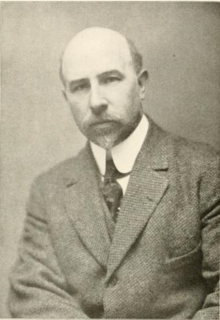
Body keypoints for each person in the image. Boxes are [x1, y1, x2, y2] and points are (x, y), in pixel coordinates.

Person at [8, 27, 220, 319]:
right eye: (80, 87)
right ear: (65, 97)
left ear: (141, 84)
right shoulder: (49, 190)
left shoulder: (206, 171)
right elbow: (33, 293)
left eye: (110, 79)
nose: (96, 101)